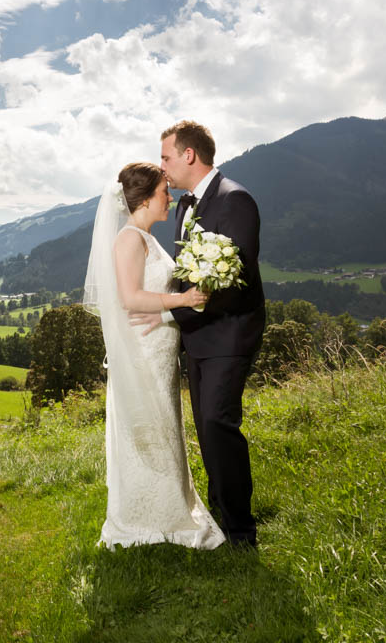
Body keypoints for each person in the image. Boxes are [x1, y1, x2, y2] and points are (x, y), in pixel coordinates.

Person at [133, 120, 266, 549]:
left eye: (166, 157)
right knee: (207, 430)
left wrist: (173, 317)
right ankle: (220, 513)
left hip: (228, 334)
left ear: (189, 154)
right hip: (199, 338)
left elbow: (231, 280)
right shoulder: (188, 205)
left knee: (217, 423)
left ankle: (242, 531)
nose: (162, 166)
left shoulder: (234, 199)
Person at [84, 161, 226, 551]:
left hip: (160, 351)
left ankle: (171, 506)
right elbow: (130, 298)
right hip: (144, 353)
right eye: (165, 192)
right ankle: (148, 515)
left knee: (164, 425)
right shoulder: (129, 240)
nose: (171, 197)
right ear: (146, 198)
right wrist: (182, 299)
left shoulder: (144, 237)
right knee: (149, 428)